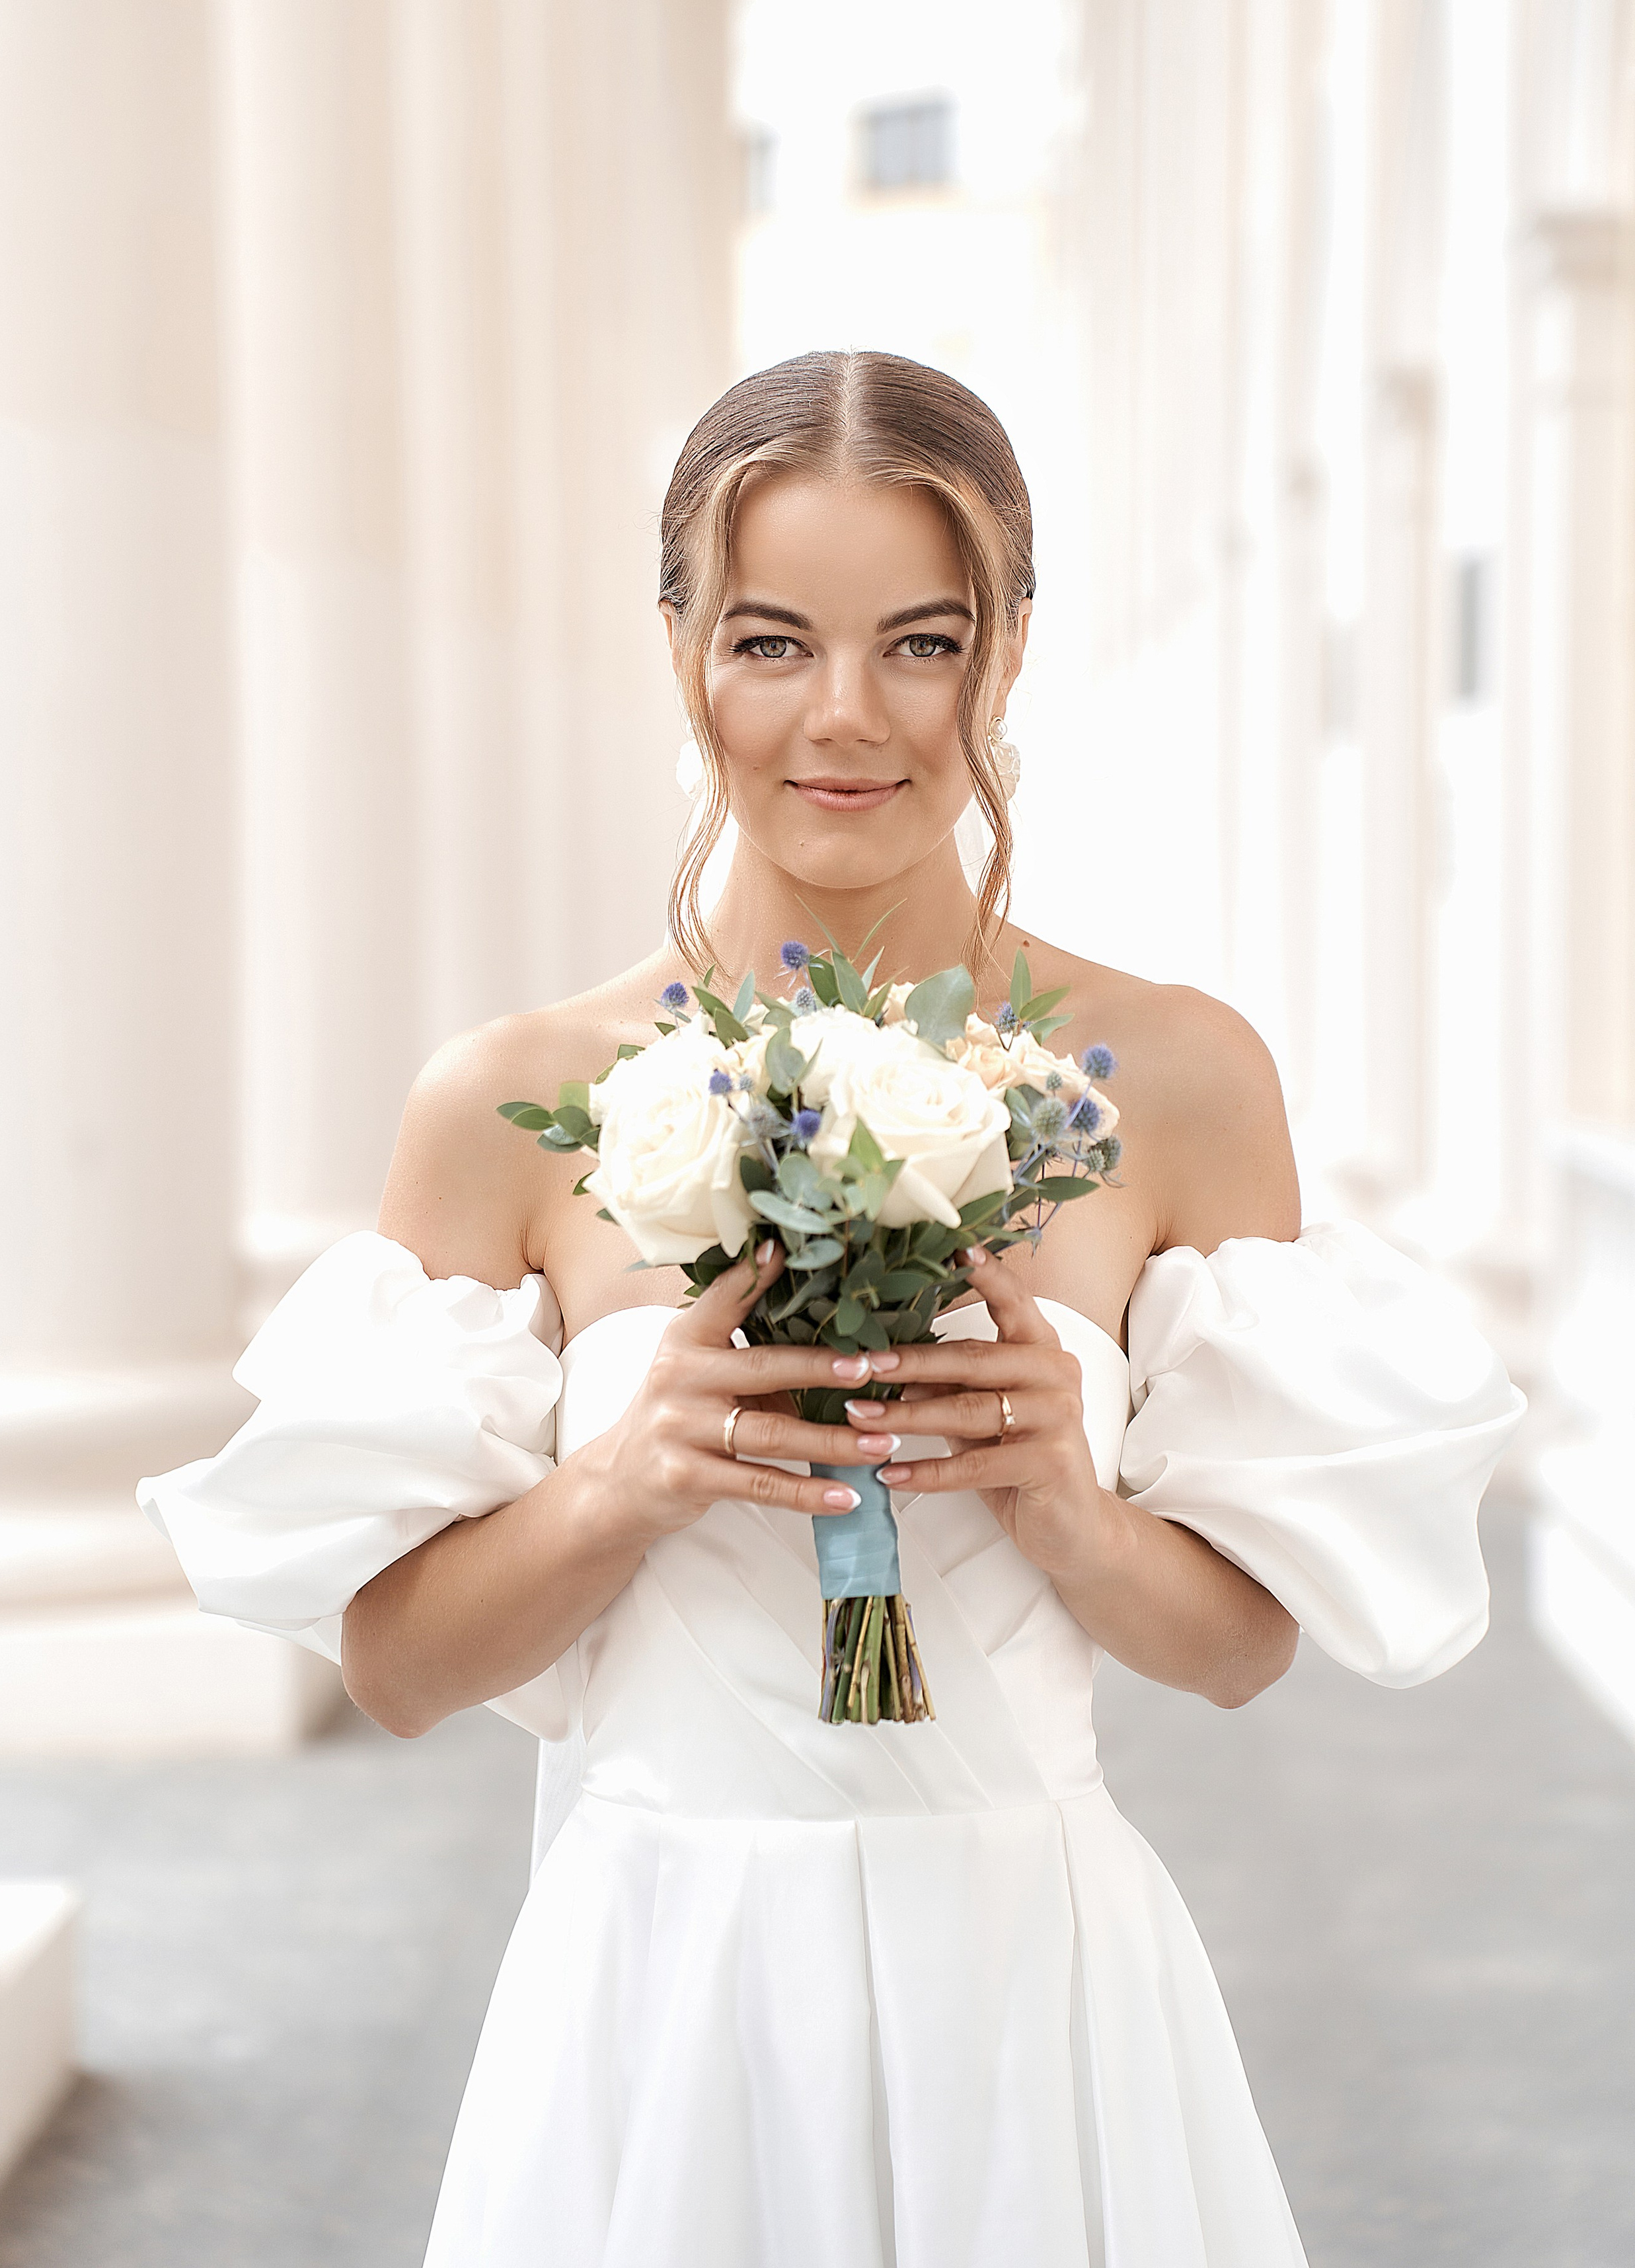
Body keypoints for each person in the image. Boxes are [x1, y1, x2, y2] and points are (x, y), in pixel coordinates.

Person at [141, 351, 1524, 2267]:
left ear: (1015, 647)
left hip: (1032, 1982)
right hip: (660, 1991)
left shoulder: (1185, 1076)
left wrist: (1068, 1501)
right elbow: (395, 1668)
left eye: (924, 643)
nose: (848, 718)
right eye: (774, 643)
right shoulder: (506, 1098)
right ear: (682, 648)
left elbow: (1234, 1654)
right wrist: (623, 1481)